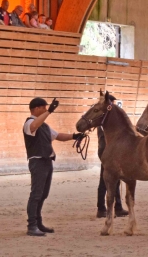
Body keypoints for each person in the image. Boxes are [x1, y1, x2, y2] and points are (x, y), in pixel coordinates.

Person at [22, 97, 83, 236]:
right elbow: (33, 126)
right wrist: (49, 111)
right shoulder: (29, 123)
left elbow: (58, 136)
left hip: (47, 161)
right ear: (36, 109)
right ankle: (31, 225)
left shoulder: (44, 126)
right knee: (36, 194)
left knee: (43, 194)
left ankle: (37, 223)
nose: (46, 111)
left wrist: (75, 136)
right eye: (44, 108)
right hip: (37, 161)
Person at [95, 127, 130, 218]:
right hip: (107, 155)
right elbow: (103, 144)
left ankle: (118, 207)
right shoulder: (104, 125)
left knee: (116, 181)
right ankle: (101, 209)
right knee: (104, 182)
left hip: (112, 154)